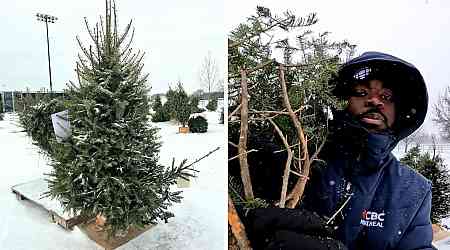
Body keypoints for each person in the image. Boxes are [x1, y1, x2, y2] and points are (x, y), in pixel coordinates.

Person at [246, 51, 433, 250]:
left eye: (386, 96)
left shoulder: (413, 191)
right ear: (341, 101)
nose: (375, 101)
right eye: (362, 93)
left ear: (399, 111)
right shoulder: (297, 159)